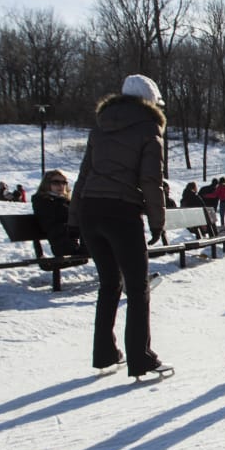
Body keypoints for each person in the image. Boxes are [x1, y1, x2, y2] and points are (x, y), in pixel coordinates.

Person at [69, 73, 173, 380]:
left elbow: (84, 174)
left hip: (91, 210)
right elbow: (150, 180)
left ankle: (105, 354)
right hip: (121, 211)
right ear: (151, 103)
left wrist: (74, 221)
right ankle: (141, 358)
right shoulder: (148, 128)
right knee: (137, 287)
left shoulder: (100, 127)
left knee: (109, 285)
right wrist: (158, 221)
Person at [32, 169, 83, 256]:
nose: (61, 185)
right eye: (56, 182)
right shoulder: (43, 201)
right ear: (47, 184)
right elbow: (53, 221)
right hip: (61, 244)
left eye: (64, 183)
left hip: (72, 239)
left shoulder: (64, 201)